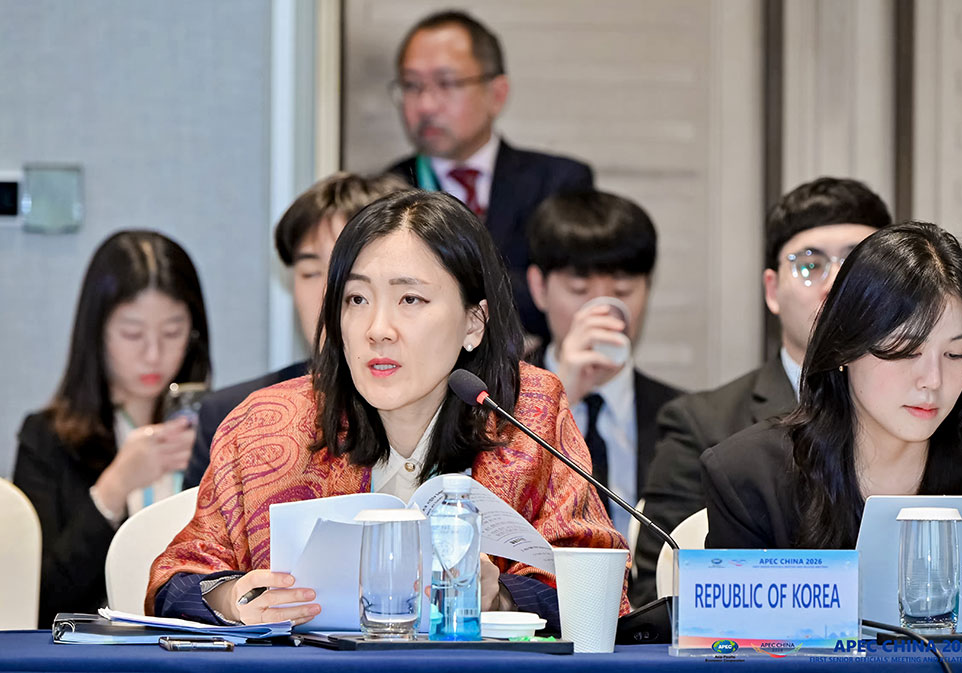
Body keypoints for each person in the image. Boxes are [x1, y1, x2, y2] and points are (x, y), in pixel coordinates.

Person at [146, 190, 628, 629]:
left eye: (410, 299)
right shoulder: (266, 424)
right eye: (357, 299)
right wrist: (232, 598)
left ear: (473, 323)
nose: (377, 328)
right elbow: (176, 579)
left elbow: (597, 587)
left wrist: (498, 596)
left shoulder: (527, 413)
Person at [631, 177, 892, 603]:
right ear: (772, 290)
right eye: (810, 265)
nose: (834, 283)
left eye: (856, 265)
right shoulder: (701, 426)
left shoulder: (931, 413)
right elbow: (657, 596)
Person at [701, 222, 962, 549]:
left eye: (956, 354)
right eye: (905, 351)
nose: (933, 380)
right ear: (845, 348)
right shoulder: (749, 477)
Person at [13, 230, 211, 628]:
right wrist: (113, 489)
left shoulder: (218, 428)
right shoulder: (46, 439)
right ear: (97, 332)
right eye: (132, 333)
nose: (153, 353)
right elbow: (34, 601)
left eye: (172, 332)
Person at [183, 171, 408, 488]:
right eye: (310, 272)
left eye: (349, 273)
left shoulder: (458, 409)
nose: (327, 293)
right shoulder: (236, 417)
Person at [386, 10, 593, 341]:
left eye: (446, 83)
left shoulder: (557, 182)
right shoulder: (388, 191)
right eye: (411, 85)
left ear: (497, 94)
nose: (425, 105)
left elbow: (562, 300)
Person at [525, 190, 681, 543]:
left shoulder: (681, 418)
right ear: (539, 288)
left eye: (623, 291)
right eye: (579, 289)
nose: (603, 311)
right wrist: (557, 400)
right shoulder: (495, 403)